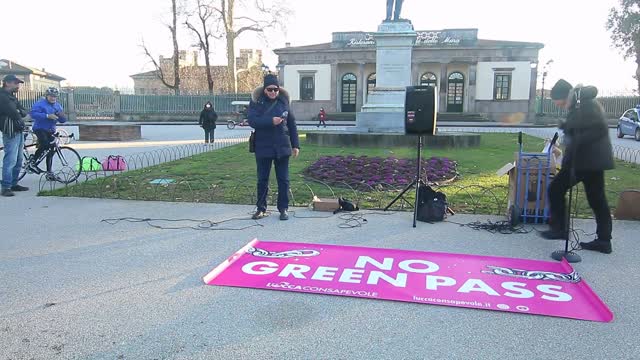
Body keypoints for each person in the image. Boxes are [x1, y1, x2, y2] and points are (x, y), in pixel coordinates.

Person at [540, 79, 614, 254]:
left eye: (560, 102)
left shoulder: (586, 104)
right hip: (590, 161)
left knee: (556, 189)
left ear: (566, 96)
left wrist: (572, 130)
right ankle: (604, 241)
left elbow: (598, 130)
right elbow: (583, 128)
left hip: (586, 161)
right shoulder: (581, 105)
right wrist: (568, 126)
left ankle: (560, 229)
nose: (560, 106)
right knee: (597, 200)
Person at [248, 73, 300, 221]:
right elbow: (252, 120)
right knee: (262, 180)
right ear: (265, 89)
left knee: (283, 180)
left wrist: (296, 145)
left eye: (275, 89)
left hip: (282, 147)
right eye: (270, 89)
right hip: (263, 147)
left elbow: (292, 124)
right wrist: (271, 121)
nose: (273, 92)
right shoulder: (256, 102)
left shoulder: (284, 102)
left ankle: (283, 208)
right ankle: (261, 208)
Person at [0, 74, 29, 196]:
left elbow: (23, 111)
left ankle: (14, 183)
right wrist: (18, 112)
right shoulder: (2, 97)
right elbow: (14, 113)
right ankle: (6, 187)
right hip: (10, 131)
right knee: (10, 159)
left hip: (18, 129)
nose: (18, 86)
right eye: (16, 83)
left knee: (19, 159)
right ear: (7, 83)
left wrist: (19, 112)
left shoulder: (12, 97)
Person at [29, 87, 67, 175]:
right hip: (40, 128)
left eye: (55, 96)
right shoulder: (40, 104)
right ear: (47, 96)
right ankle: (33, 162)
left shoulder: (58, 105)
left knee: (51, 150)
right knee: (45, 144)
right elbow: (33, 114)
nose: (53, 98)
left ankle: (49, 173)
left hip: (51, 130)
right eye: (51, 96)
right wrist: (47, 116)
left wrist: (62, 116)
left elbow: (63, 120)